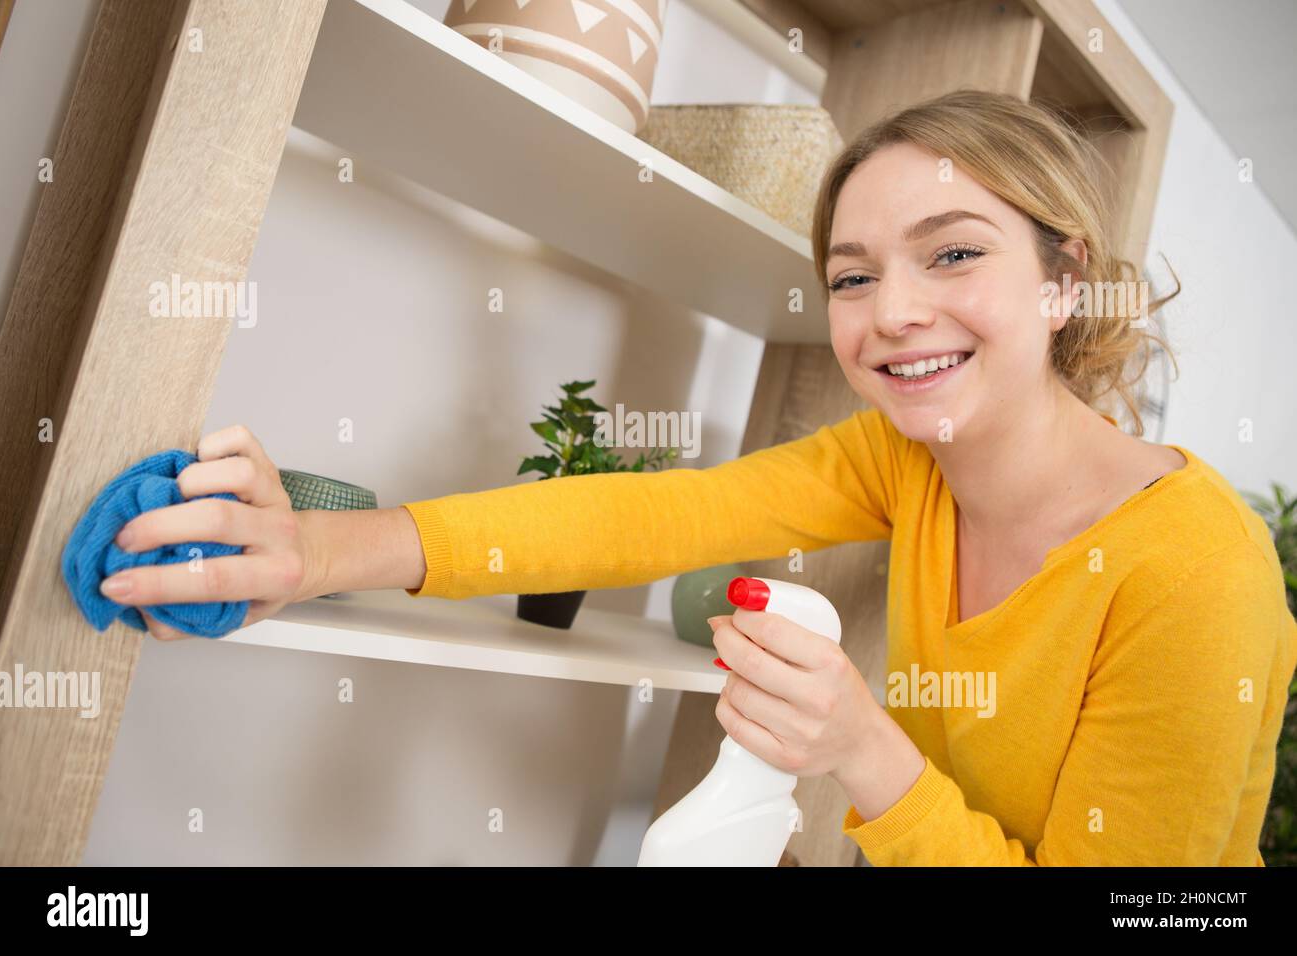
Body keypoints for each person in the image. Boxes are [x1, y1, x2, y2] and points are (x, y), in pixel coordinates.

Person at [96, 90, 1296, 866]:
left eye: (954, 254)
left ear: (1061, 280)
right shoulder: (907, 459)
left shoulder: (1198, 577)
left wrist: (862, 748)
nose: (894, 313)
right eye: (852, 274)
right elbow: (653, 512)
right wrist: (317, 550)